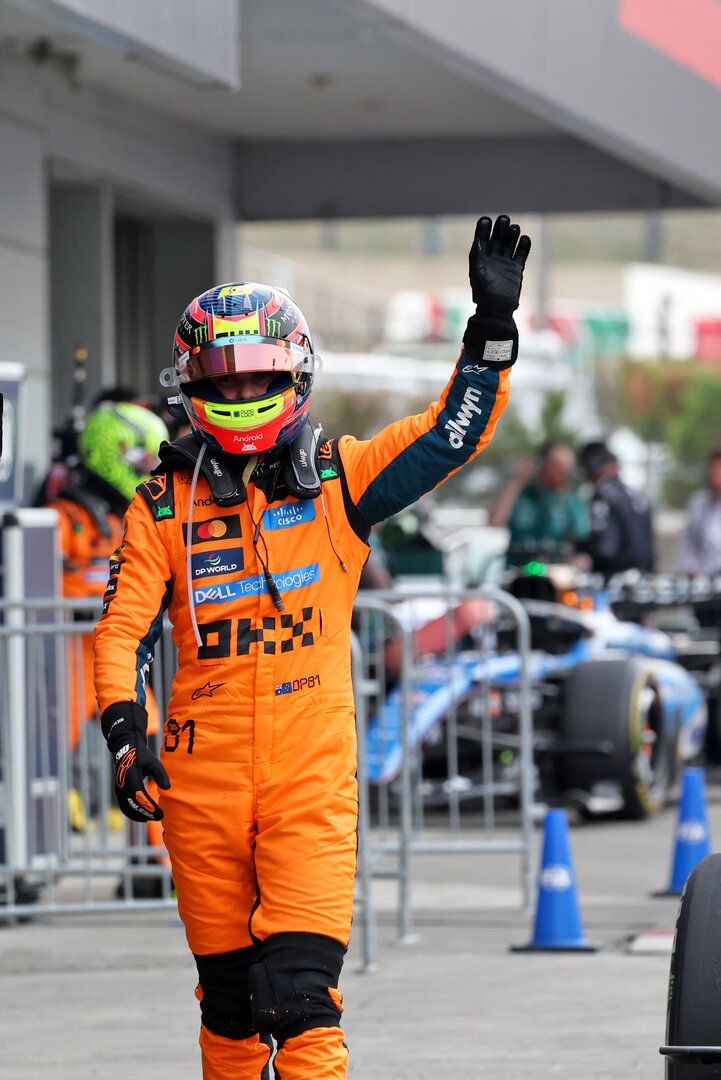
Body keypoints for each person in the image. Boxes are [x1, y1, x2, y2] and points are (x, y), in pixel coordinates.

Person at [92, 214, 531, 1080]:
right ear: (189, 388)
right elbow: (123, 630)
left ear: (295, 372)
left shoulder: (342, 475)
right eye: (227, 376)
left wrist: (489, 334)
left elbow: (449, 435)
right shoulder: (158, 505)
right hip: (198, 786)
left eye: (261, 372)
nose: (246, 388)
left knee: (301, 1008)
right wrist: (122, 732)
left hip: (308, 783)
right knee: (228, 1013)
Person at [48, 399, 168, 835]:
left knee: (149, 742)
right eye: (138, 458)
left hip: (115, 654)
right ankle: (33, 862)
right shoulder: (63, 517)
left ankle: (156, 862)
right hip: (63, 657)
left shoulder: (135, 517)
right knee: (42, 756)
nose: (147, 468)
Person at [488, 441, 590, 565]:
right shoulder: (521, 496)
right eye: (557, 466)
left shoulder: (571, 502)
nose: (564, 472)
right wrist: (518, 480)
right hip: (517, 573)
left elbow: (582, 539)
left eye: (567, 468)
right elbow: (494, 520)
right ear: (541, 464)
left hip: (555, 574)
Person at [577, 439, 655, 579]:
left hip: (613, 581)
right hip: (642, 579)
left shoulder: (601, 495)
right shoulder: (638, 495)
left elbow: (606, 549)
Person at [679, 447, 721, 578]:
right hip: (707, 580)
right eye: (711, 467)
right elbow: (689, 544)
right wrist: (692, 567)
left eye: (717, 468)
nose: (712, 472)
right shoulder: (700, 503)